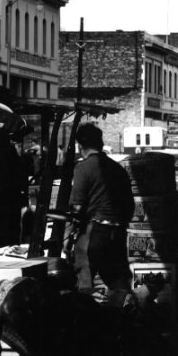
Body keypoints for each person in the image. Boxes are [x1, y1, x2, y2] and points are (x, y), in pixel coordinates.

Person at [63, 122, 135, 308]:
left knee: (84, 283)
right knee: (118, 282)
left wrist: (67, 237)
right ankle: (124, 319)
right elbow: (130, 206)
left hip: (94, 232)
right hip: (118, 232)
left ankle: (87, 323)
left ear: (80, 146)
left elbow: (76, 207)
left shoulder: (83, 168)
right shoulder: (117, 168)